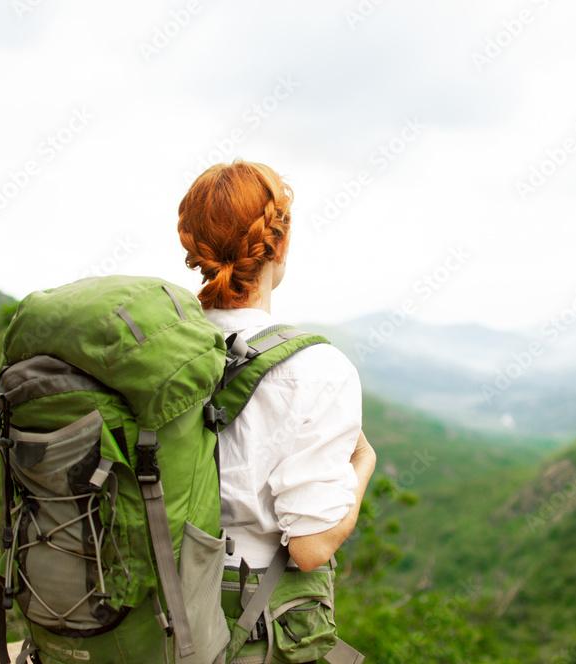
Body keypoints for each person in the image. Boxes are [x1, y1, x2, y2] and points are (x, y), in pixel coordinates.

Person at [178, 159, 376, 660]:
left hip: (159, 602)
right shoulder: (319, 369)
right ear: (279, 244)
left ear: (192, 246)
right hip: (251, 619)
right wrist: (364, 464)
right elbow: (310, 550)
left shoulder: (158, 353)